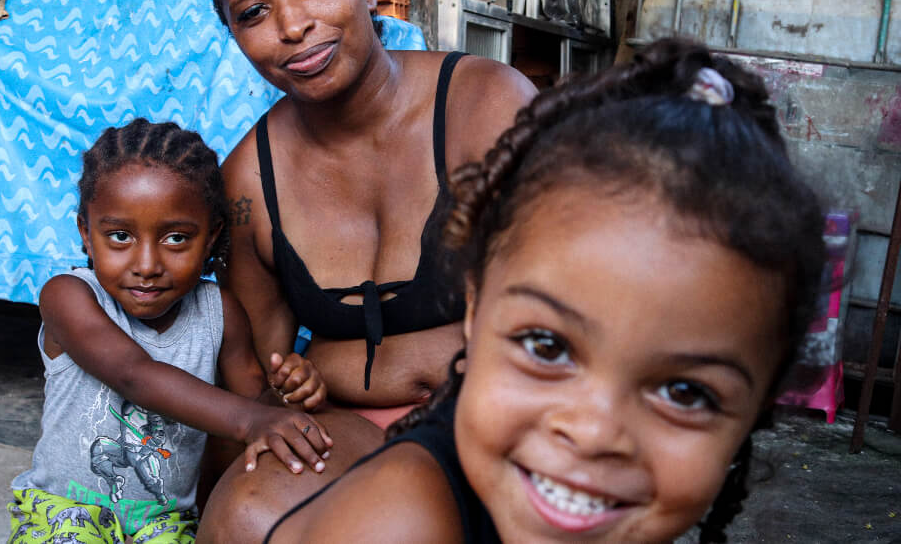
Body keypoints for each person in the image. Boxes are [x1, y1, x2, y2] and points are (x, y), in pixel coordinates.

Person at [263, 38, 829, 543]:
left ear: (756, 409)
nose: (591, 433)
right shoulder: (392, 526)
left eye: (684, 392)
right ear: (475, 308)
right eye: (547, 347)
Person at [197, 0, 537, 540]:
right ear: (235, 36)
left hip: (486, 418)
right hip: (346, 422)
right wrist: (206, 507)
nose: (292, 25)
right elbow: (250, 374)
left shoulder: (485, 107)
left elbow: (567, 324)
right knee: (243, 517)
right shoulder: (250, 178)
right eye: (253, 12)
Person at [7, 119, 332, 544]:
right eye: (120, 236)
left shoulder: (220, 312)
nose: (147, 264)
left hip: (165, 522)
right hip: (64, 511)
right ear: (86, 233)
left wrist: (286, 399)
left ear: (211, 236)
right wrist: (254, 419)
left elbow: (254, 399)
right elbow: (133, 374)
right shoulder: (68, 297)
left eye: (176, 238)